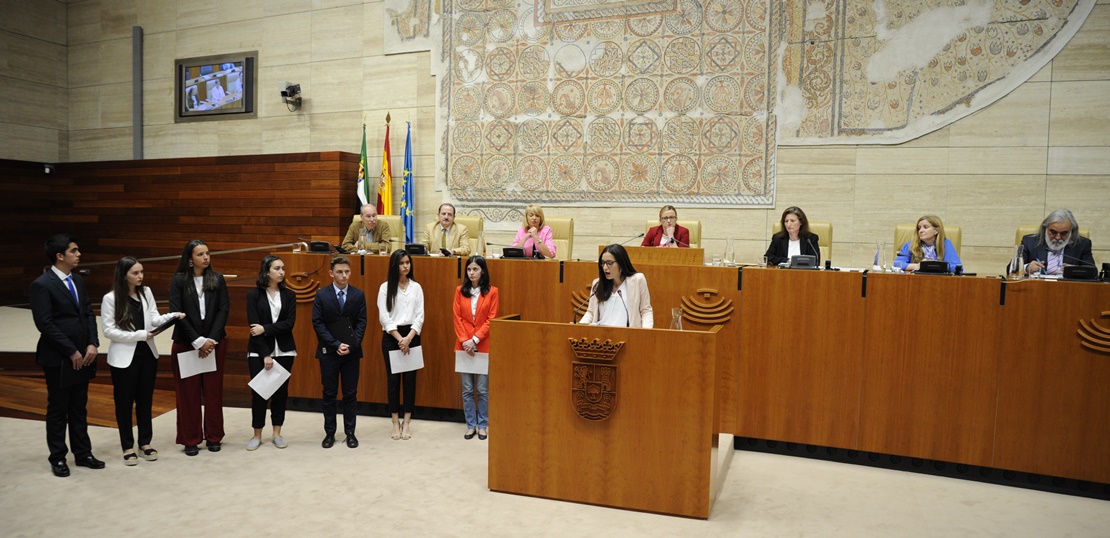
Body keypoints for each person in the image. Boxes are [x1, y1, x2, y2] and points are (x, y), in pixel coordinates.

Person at [30, 234, 103, 477]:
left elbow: (89, 314)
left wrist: (93, 343)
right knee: (59, 408)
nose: (79, 254)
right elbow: (45, 324)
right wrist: (71, 350)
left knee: (79, 407)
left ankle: (83, 453)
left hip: (85, 355)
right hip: (59, 357)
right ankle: (58, 457)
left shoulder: (78, 281)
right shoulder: (42, 284)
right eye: (74, 250)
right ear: (60, 256)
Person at [102, 256, 184, 466]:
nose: (140, 276)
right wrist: (139, 335)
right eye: (135, 273)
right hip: (124, 358)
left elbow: (154, 318)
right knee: (124, 403)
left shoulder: (146, 292)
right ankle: (127, 446)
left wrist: (172, 316)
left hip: (147, 354)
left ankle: (145, 442)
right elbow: (109, 331)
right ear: (124, 275)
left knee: (145, 401)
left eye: (141, 272)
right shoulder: (111, 298)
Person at [168, 239, 230, 456]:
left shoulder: (217, 279)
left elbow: (223, 310)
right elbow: (177, 313)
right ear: (189, 258)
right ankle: (191, 439)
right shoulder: (178, 281)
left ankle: (214, 436)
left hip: (214, 344)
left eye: (207, 253)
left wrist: (210, 340)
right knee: (188, 394)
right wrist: (197, 341)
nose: (206, 257)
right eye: (200, 254)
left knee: (213, 392)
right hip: (187, 343)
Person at [312, 255, 367, 449]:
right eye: (340, 272)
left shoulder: (358, 295)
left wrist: (352, 344)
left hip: (351, 353)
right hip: (329, 352)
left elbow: (362, 322)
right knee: (329, 393)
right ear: (331, 273)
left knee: (350, 394)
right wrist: (336, 344)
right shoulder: (322, 295)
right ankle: (329, 433)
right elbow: (318, 323)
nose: (344, 276)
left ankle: (350, 432)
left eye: (347, 272)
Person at [245, 255, 298, 450]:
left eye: (283, 268)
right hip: (259, 351)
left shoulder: (289, 295)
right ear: (267, 271)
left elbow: (289, 324)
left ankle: (277, 433)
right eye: (277, 268)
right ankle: (257, 434)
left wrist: (266, 328)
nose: (282, 272)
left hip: (285, 350)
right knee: (259, 393)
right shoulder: (253, 295)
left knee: (280, 393)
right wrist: (266, 354)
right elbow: (253, 327)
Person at [378, 250, 425, 440]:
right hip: (392, 337)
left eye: (408, 262)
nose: (406, 266)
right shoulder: (385, 287)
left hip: (412, 336)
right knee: (393, 382)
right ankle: (395, 422)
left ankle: (407, 422)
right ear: (394, 265)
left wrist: (409, 338)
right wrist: (399, 339)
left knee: (410, 381)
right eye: (402, 263)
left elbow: (420, 316)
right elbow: (384, 316)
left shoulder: (416, 287)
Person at [452, 256, 499, 440]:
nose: (471, 273)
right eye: (469, 269)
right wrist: (465, 340)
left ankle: (483, 424)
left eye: (475, 269)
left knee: (482, 389)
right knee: (466, 389)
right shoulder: (459, 291)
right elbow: (457, 318)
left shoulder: (492, 292)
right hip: (463, 346)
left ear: (483, 271)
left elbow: (491, 319)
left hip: (482, 345)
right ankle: (471, 425)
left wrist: (475, 339)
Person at [580, 244, 654, 328]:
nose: (605, 267)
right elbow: (591, 312)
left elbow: (646, 310)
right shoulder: (597, 284)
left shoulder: (637, 280)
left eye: (609, 263)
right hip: (601, 336)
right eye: (603, 263)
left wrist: (646, 333)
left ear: (621, 263)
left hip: (627, 336)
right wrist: (579, 328)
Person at [1017, 208, 1096, 276]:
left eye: (1064, 233)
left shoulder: (1082, 244)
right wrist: (1027, 268)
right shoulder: (1029, 241)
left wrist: (1074, 271)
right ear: (1045, 229)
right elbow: (1012, 268)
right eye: (1053, 232)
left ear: (1071, 232)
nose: (1058, 237)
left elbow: (1093, 272)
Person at [893, 215, 962, 272]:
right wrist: (917, 266)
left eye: (925, 227)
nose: (920, 231)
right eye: (919, 228)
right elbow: (897, 264)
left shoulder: (946, 244)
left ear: (936, 230)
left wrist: (933, 266)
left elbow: (957, 268)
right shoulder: (910, 245)